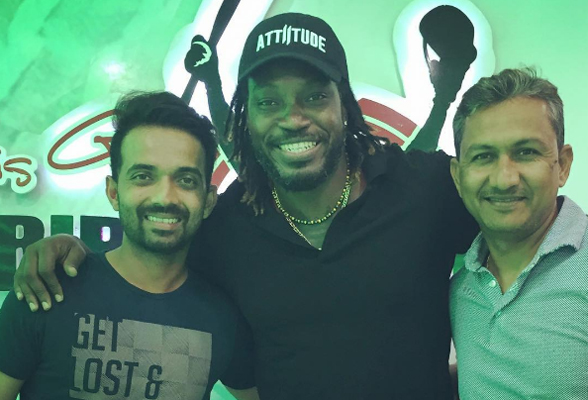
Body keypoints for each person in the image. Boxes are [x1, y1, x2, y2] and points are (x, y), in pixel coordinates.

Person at [13, 13, 478, 399]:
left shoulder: (428, 187)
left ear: (344, 104)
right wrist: (68, 253)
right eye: (269, 101)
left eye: (315, 96)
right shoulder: (224, 226)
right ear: (247, 117)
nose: (293, 119)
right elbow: (145, 271)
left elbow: (517, 239)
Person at [0, 92, 259, 400]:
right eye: (143, 176)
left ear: (208, 201)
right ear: (114, 192)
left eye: (186, 180)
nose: (165, 197)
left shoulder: (223, 318)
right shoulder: (45, 290)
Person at [449, 68, 587, 399]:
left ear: (563, 164)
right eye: (483, 157)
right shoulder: (461, 289)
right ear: (458, 176)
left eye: (526, 152)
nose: (505, 179)